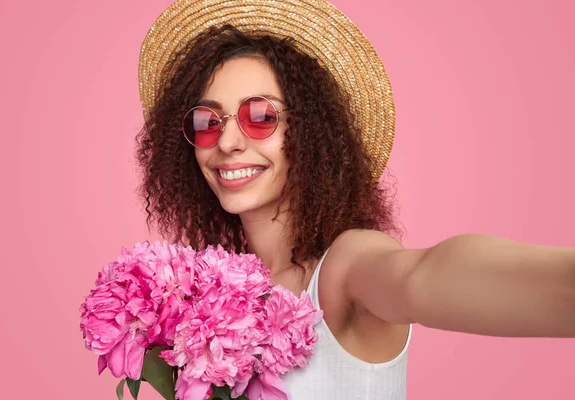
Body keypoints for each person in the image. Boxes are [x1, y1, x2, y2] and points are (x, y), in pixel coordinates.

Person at [134, 0, 575, 398]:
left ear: (311, 133)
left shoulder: (344, 268)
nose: (227, 141)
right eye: (207, 120)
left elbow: (423, 276)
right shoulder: (210, 299)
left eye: (261, 116)